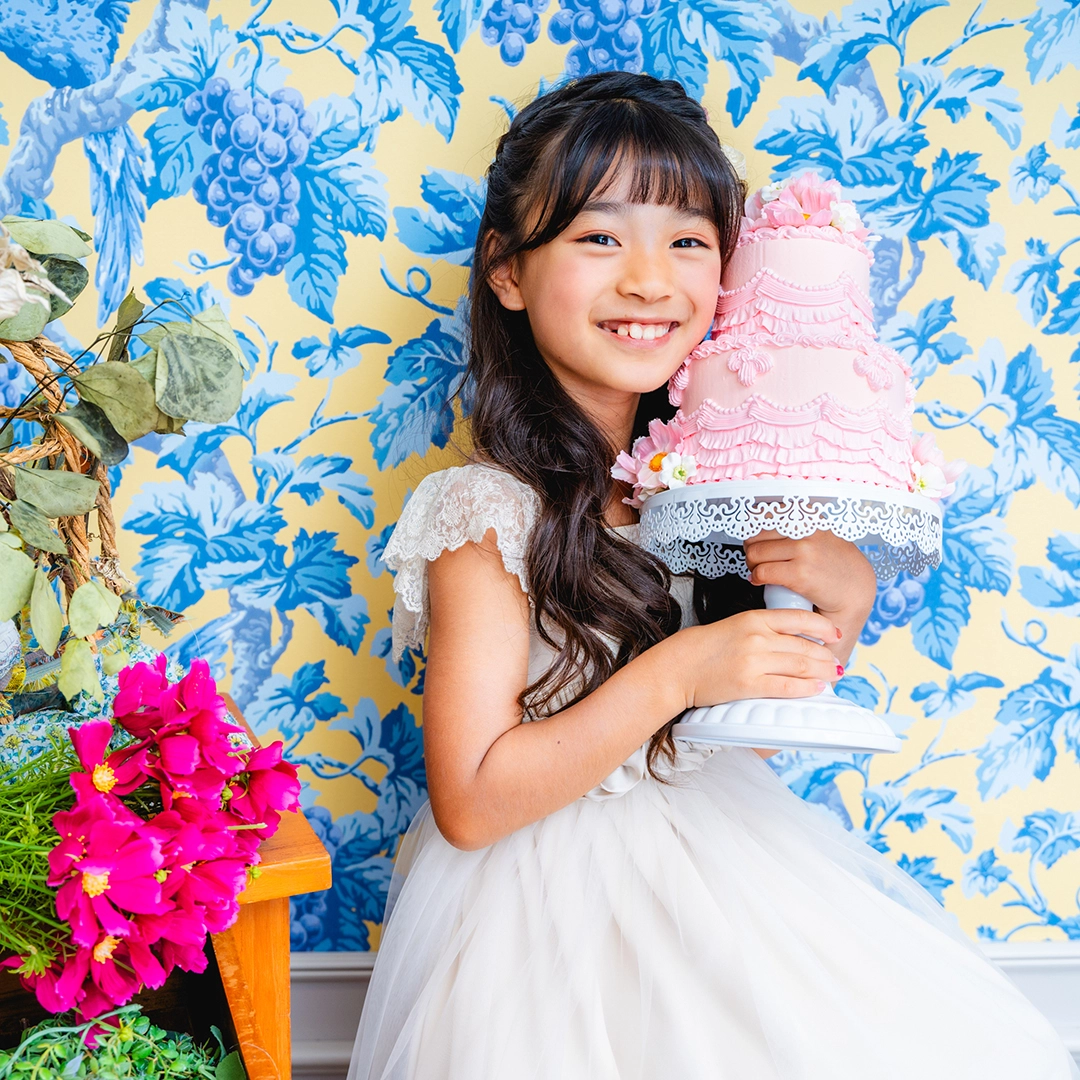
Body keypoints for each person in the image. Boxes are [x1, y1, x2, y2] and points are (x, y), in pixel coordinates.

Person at [347, 72, 1079, 1080]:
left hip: (714, 861)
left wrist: (837, 609)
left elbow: (731, 747)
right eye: (599, 237)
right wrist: (681, 672)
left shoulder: (698, 495)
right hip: (543, 908)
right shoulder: (487, 512)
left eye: (687, 242)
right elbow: (472, 802)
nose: (650, 281)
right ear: (508, 272)